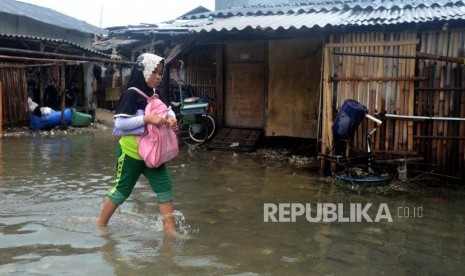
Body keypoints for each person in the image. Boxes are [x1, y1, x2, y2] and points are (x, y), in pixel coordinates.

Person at [96, 53, 180, 237]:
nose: (158, 76)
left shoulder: (157, 93)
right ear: (143, 71)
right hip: (131, 152)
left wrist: (172, 120)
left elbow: (169, 111)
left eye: (160, 73)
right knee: (122, 190)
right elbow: (120, 124)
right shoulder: (131, 93)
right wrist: (147, 118)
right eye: (154, 72)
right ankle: (101, 225)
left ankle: (170, 231)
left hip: (153, 153)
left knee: (165, 186)